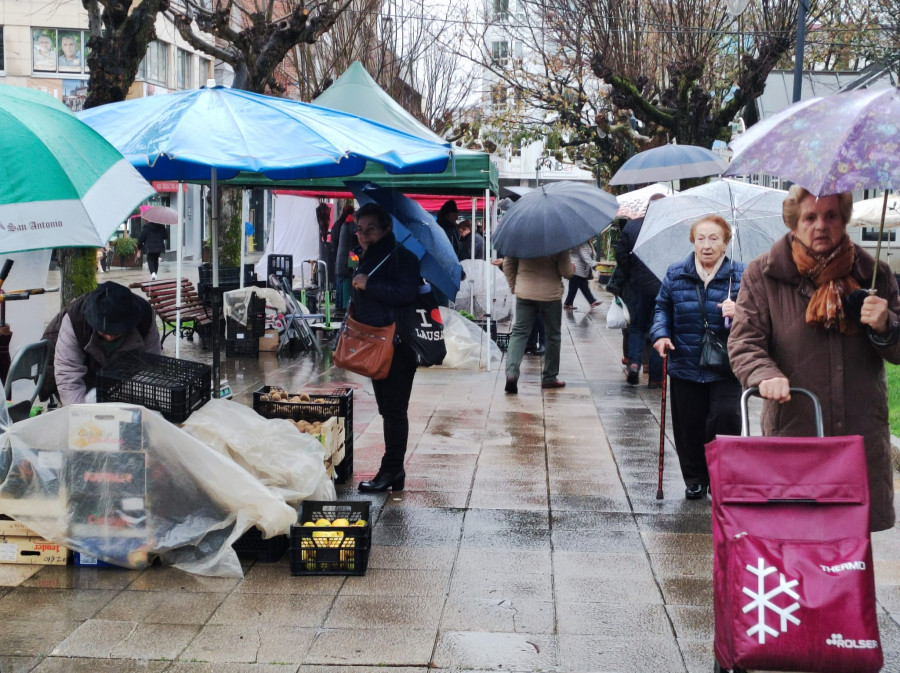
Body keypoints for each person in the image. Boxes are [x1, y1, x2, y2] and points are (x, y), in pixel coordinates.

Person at [729, 186, 900, 531]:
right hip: (795, 432)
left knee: (850, 558)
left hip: (858, 438)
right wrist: (764, 375)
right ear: (794, 223)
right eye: (810, 217)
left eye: (831, 216)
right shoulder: (763, 275)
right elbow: (745, 341)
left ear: (844, 221)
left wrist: (887, 325)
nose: (820, 225)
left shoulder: (875, 275)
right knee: (794, 549)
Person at [651, 215, 743, 500]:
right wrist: (660, 335)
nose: (706, 245)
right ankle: (695, 479)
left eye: (714, 238)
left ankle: (721, 478)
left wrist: (740, 312)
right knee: (689, 425)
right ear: (693, 241)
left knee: (725, 419)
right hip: (686, 362)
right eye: (701, 238)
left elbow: (761, 316)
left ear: (726, 243)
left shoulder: (740, 275)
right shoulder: (676, 273)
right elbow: (662, 307)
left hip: (726, 365)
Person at [351, 203, 421, 493]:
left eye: (371, 229)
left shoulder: (401, 257)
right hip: (377, 342)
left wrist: (369, 285)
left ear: (386, 229)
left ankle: (391, 470)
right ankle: (394, 470)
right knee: (388, 409)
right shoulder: (372, 257)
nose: (364, 236)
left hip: (398, 344)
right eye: (360, 230)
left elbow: (407, 292)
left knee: (394, 410)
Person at [49, 282, 162, 406]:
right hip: (79, 370)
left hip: (120, 371)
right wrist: (82, 417)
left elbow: (150, 367)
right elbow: (68, 377)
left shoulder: (144, 318)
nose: (109, 337)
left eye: (116, 332)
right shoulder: (75, 320)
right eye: (103, 331)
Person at [502, 253, 574, 393]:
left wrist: (514, 287)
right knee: (553, 335)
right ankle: (549, 377)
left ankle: (512, 373)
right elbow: (566, 272)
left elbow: (508, 264)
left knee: (519, 333)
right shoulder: (558, 239)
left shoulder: (520, 235)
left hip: (525, 292)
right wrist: (571, 270)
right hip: (550, 294)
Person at [616, 196, 666, 387]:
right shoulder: (670, 229)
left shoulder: (632, 226)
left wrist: (631, 274)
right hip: (663, 285)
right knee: (659, 328)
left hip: (639, 284)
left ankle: (635, 363)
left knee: (637, 326)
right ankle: (655, 377)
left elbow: (621, 255)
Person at [563, 240, 602, 310]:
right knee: (574, 287)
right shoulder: (581, 242)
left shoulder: (585, 242)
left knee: (583, 286)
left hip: (581, 269)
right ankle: (568, 303)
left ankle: (591, 301)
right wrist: (593, 265)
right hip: (577, 268)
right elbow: (584, 255)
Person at [334, 205, 357, 310]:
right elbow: (355, 242)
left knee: (341, 281)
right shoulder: (351, 224)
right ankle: (345, 307)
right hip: (350, 257)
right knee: (348, 280)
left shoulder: (344, 223)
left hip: (342, 258)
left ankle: (339, 306)